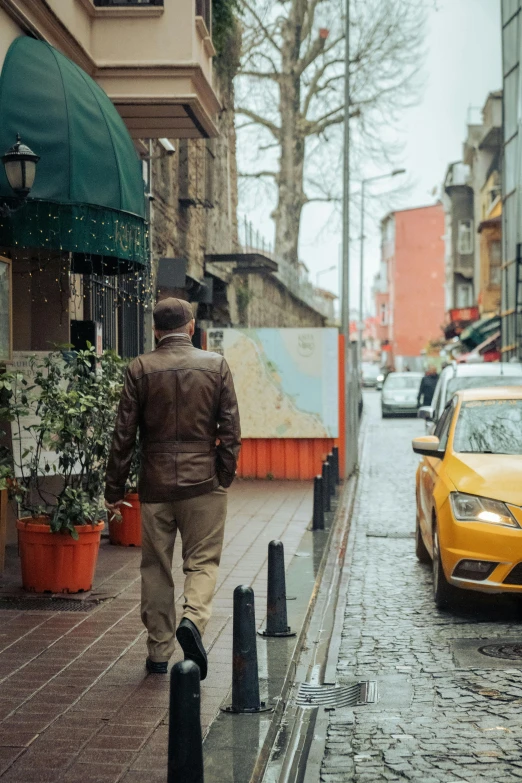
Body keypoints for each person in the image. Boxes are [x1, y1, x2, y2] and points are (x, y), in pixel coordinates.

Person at [104, 298, 241, 677]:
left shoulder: (140, 368)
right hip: (204, 481)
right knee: (202, 561)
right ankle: (193, 622)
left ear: (155, 331)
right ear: (192, 326)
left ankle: (159, 652)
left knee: (156, 568)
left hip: (155, 484)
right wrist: (223, 475)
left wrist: (114, 487)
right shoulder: (216, 366)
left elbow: (123, 435)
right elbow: (230, 429)